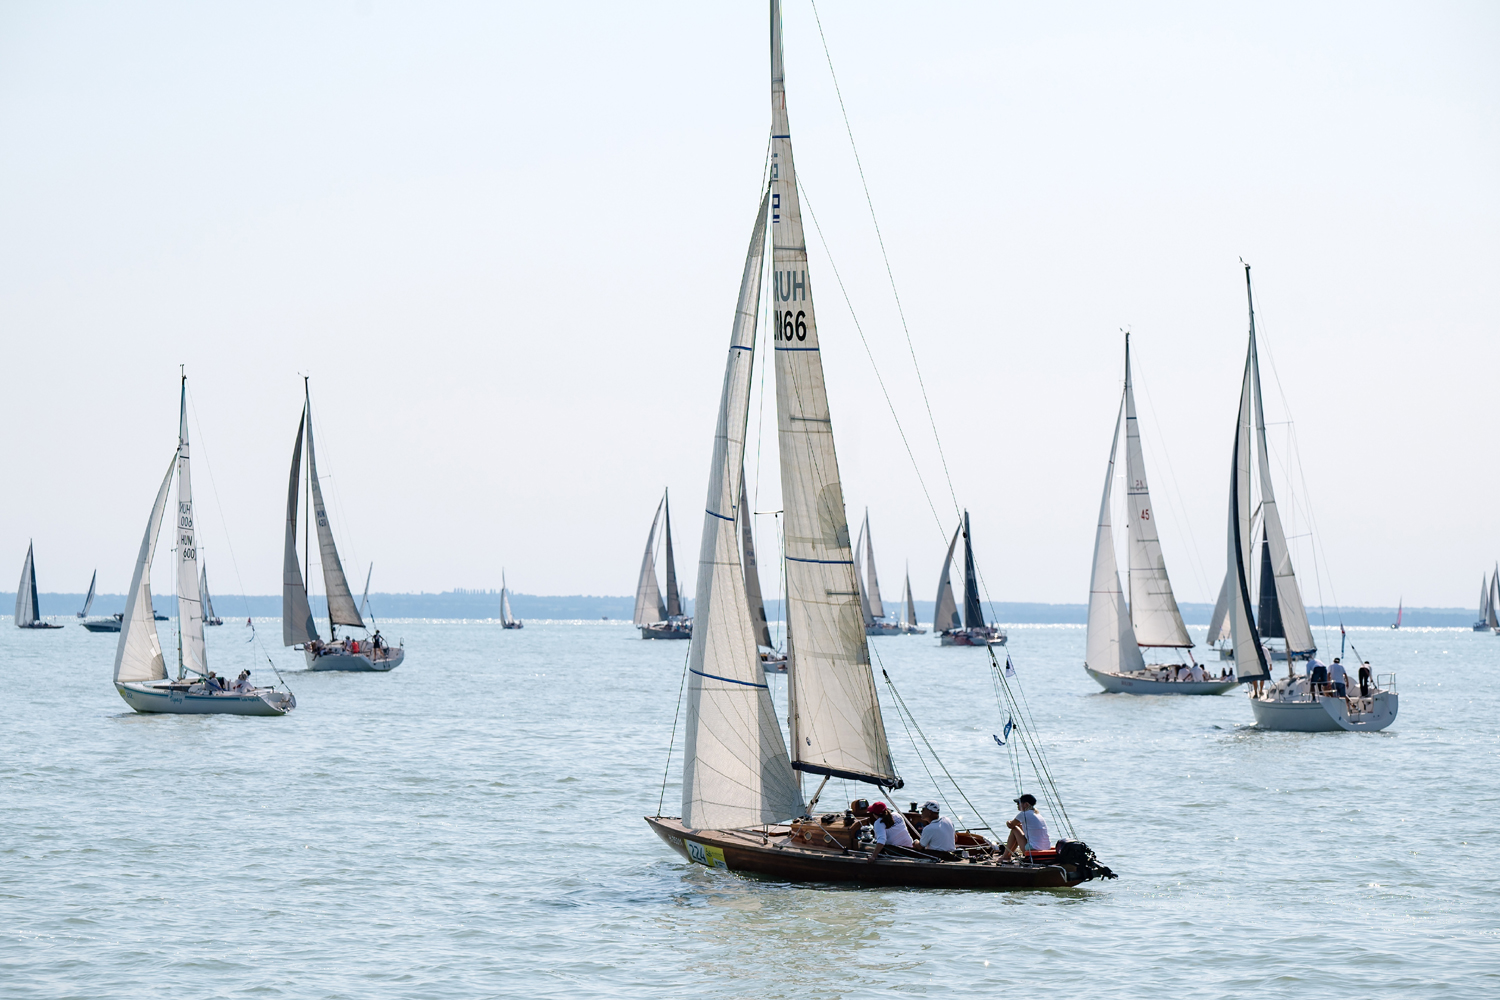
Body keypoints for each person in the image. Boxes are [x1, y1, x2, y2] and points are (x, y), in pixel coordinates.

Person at [1002, 793, 1051, 860]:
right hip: (1046, 847)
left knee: (1015, 829)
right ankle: (1008, 855)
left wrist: (1007, 822)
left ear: (1026, 804)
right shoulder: (1037, 814)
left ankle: (1005, 856)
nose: (1017, 805)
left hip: (1032, 849)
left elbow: (1011, 825)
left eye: (1019, 803)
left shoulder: (1023, 814)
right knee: (1019, 826)